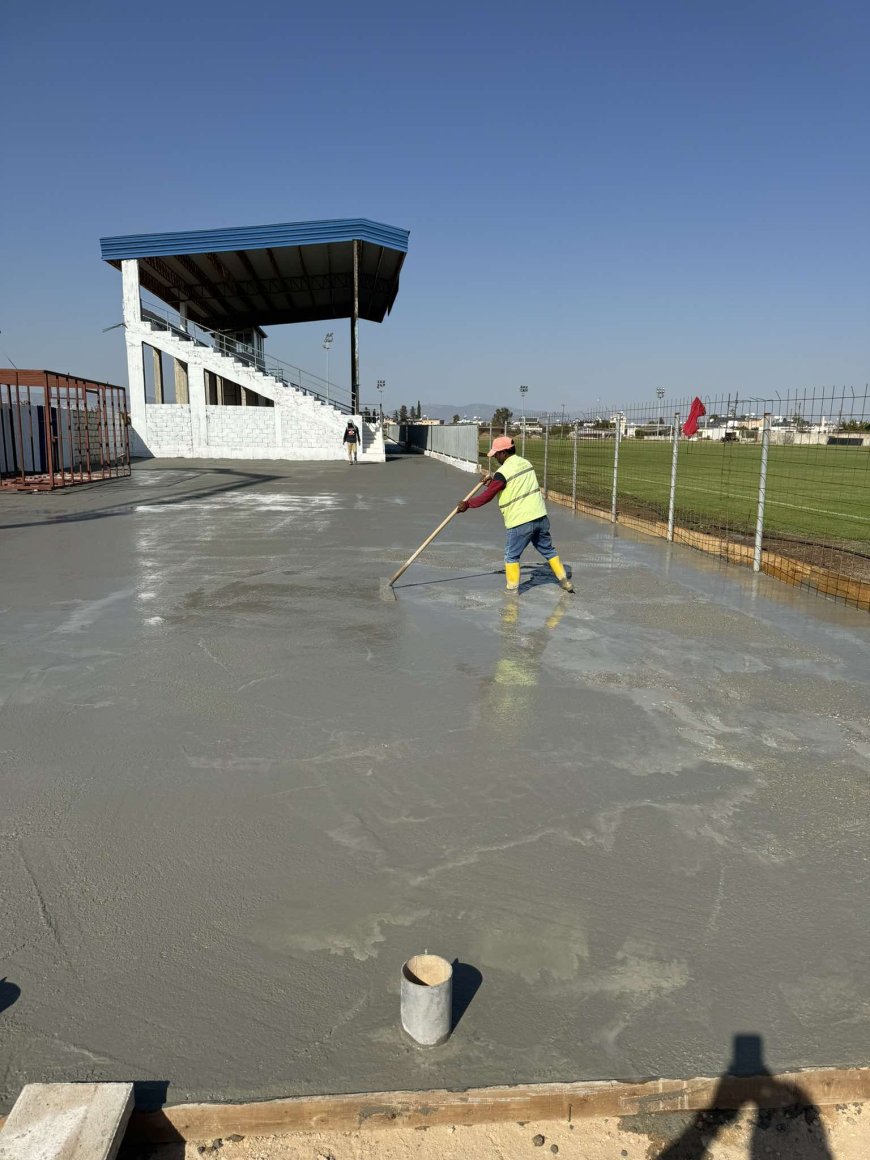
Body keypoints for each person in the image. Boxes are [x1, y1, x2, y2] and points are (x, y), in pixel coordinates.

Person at [456, 435, 574, 593]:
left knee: (511, 556)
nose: (496, 457)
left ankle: (512, 591)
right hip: (540, 517)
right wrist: (491, 483)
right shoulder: (526, 463)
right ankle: (564, 581)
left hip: (520, 522)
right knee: (548, 550)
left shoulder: (503, 472)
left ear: (504, 453)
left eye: (497, 454)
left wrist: (468, 504)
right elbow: (513, 486)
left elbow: (488, 495)